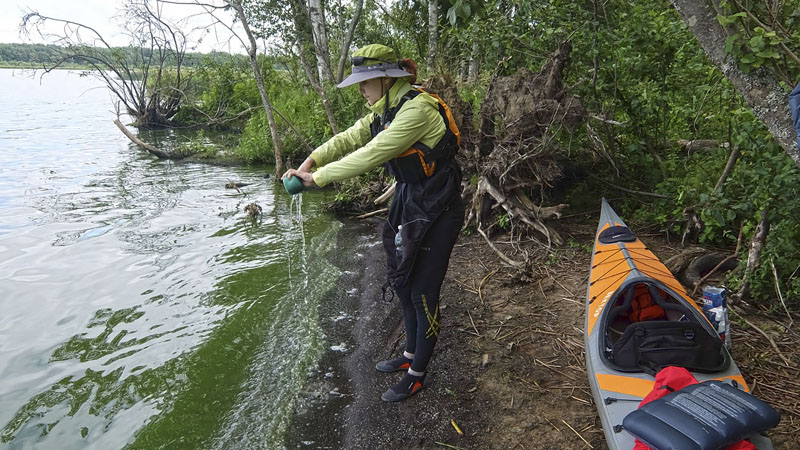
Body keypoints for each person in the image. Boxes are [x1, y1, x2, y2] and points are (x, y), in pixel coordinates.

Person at [282, 44, 464, 402]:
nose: (360, 90)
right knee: (403, 280)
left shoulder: (416, 111)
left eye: (364, 83)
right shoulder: (385, 110)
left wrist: (317, 179)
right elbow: (350, 138)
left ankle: (417, 374)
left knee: (422, 290)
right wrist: (309, 162)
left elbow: (373, 153)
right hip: (411, 201)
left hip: (439, 208)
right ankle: (410, 354)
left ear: (384, 78)